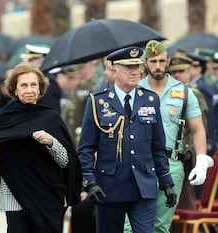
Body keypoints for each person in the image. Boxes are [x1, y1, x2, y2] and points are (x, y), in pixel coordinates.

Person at [0, 62, 82, 233]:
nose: (29, 90)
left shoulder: (51, 118)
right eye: (24, 85)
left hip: (47, 194)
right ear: (14, 88)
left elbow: (67, 162)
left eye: (33, 85)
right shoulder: (4, 116)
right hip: (14, 194)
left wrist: (51, 142)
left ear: (40, 88)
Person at [78, 46, 177, 233]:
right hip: (110, 186)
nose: (134, 71)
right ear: (114, 70)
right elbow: (86, 148)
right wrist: (90, 182)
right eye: (127, 67)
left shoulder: (150, 100)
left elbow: (157, 146)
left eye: (137, 66)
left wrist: (167, 182)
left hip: (144, 184)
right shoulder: (97, 102)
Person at [131, 40, 213, 233]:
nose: (158, 66)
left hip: (171, 163)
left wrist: (201, 161)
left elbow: (198, 129)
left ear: (168, 61)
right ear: (145, 63)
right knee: (130, 225)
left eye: (161, 61)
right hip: (137, 162)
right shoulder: (133, 90)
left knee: (161, 226)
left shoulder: (184, 92)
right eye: (153, 61)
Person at [168, 50, 210, 233]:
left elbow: (198, 130)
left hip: (186, 158)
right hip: (172, 157)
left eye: (181, 71)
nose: (177, 75)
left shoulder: (194, 95)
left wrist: (191, 158)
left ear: (189, 72)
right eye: (174, 72)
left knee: (184, 204)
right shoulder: (168, 94)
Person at [22, 44, 63, 113]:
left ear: (42, 61)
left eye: (31, 60)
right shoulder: (38, 78)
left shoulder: (48, 82)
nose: (28, 63)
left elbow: (50, 110)